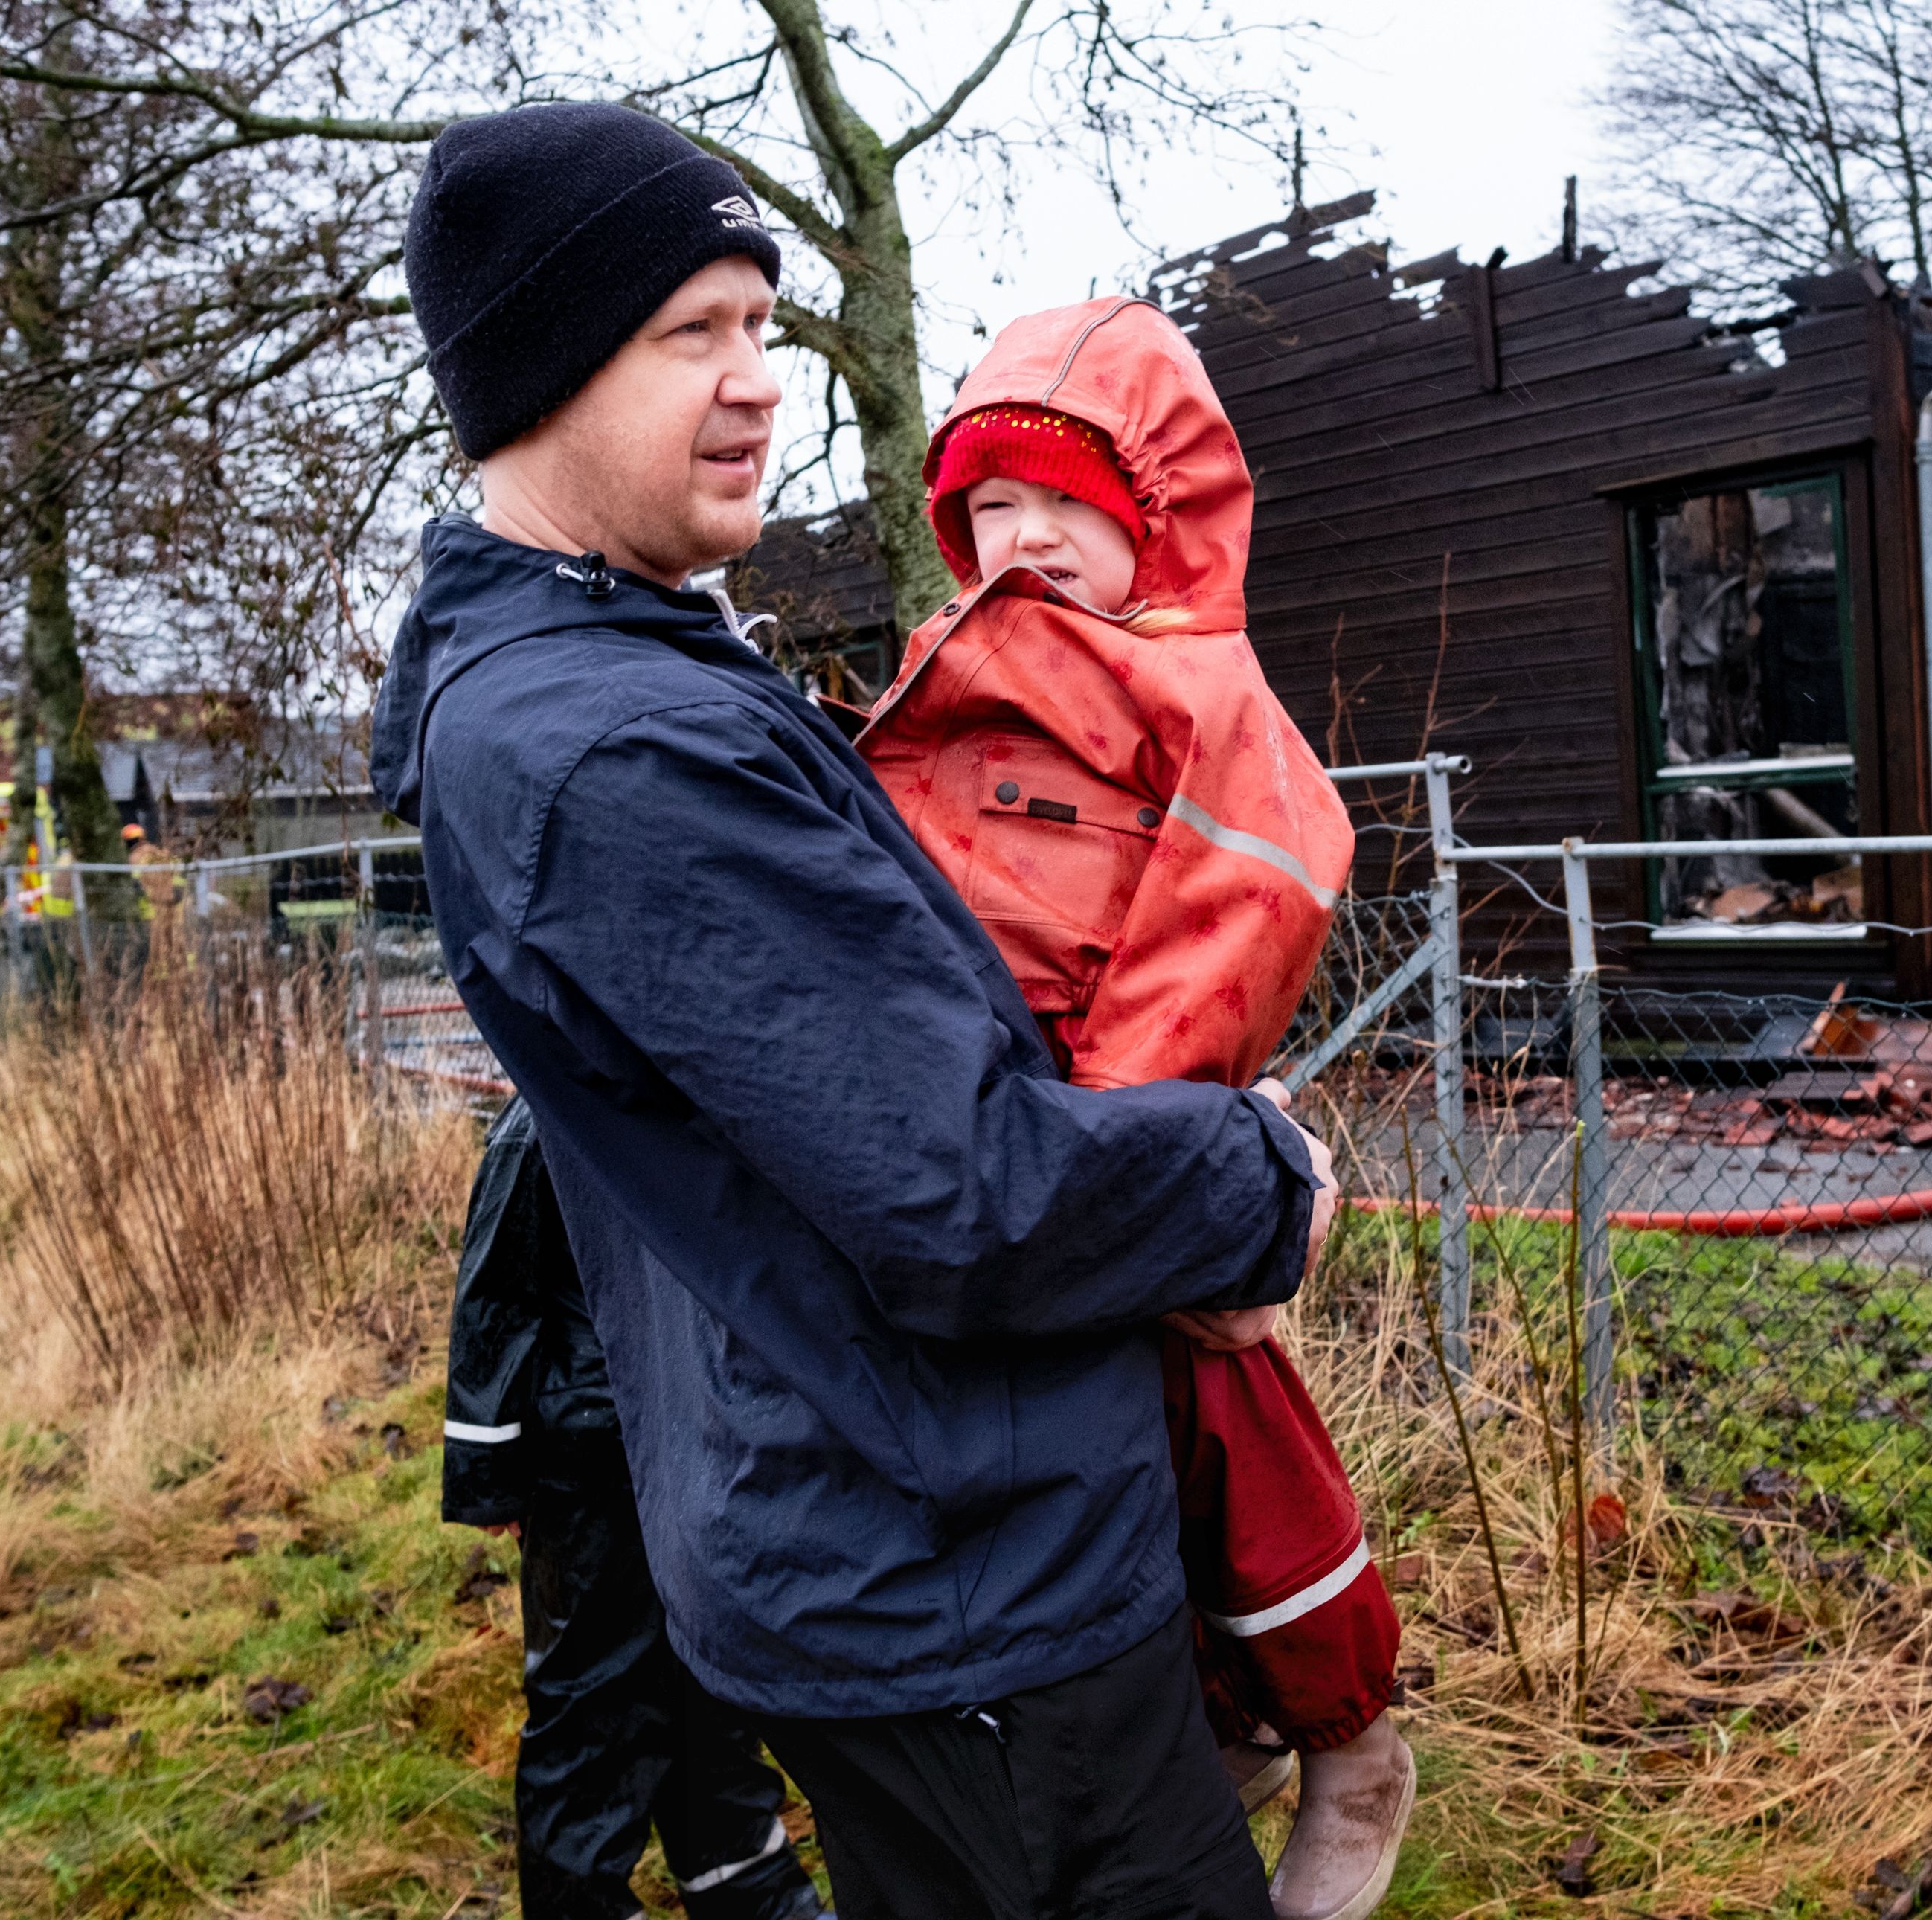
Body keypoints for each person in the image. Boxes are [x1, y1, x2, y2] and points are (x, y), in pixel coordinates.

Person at [370, 102, 1338, 1920]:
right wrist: (1259, 1176)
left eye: (761, 323)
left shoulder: (615, 667)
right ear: (542, 370)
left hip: (885, 1525)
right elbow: (974, 1193)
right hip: (959, 1574)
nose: (759, 381)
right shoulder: (622, 749)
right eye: (692, 333)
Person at [853, 302, 1411, 1920]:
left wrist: (1116, 1157)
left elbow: (1239, 905)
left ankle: (1351, 1731)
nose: (1023, 540)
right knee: (1107, 1480)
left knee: (1232, 1439)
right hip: (991, 1139)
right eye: (990, 508)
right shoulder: (948, 671)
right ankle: (1226, 1726)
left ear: (1154, 516)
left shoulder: (1198, 692)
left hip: (1101, 1137)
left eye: (1065, 504)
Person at [443, 1099, 829, 1920]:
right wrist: (490, 1471)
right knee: (593, 1700)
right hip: (591, 1463)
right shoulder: (542, 1114)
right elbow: (493, 1296)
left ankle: (748, 1890)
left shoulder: (690, 1089)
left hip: (698, 1443)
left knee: (710, 1676)